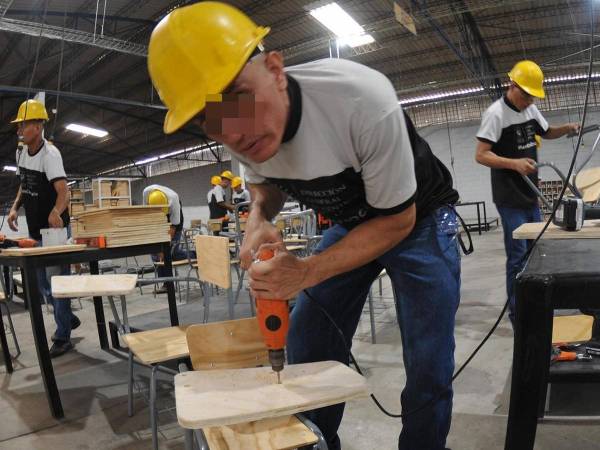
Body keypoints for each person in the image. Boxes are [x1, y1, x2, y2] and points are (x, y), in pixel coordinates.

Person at [148, 3, 461, 449]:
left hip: (419, 220)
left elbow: (397, 220)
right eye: (210, 118)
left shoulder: (359, 99)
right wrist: (258, 218)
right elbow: (263, 187)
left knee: (428, 358)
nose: (234, 131)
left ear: (275, 68)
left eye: (238, 95)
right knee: (310, 335)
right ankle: (313, 441)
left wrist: (307, 271)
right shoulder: (241, 129)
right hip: (354, 223)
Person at [475, 60, 579, 324]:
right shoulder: (495, 114)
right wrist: (514, 164)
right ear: (512, 86)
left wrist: (566, 128)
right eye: (526, 95)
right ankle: (518, 314)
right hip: (509, 198)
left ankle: (536, 306)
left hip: (530, 195)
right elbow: (481, 155)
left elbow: (547, 131)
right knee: (518, 257)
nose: (529, 101)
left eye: (533, 96)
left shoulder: (531, 109)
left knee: (536, 255)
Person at [7, 99, 79, 358]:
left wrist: (56, 212)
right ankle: (67, 317)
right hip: (35, 229)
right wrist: (15, 207)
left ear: (37, 127)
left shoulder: (51, 155)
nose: (19, 129)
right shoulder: (22, 152)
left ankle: (62, 337)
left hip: (54, 230)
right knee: (41, 284)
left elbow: (64, 191)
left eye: (23, 124)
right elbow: (24, 183)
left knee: (56, 282)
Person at [142, 184, 190, 293]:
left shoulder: (174, 200)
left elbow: (173, 228)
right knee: (155, 253)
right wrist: (158, 248)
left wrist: (165, 248)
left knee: (171, 252)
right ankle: (165, 284)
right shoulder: (146, 192)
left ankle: (195, 255)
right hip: (156, 218)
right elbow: (148, 216)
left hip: (173, 219)